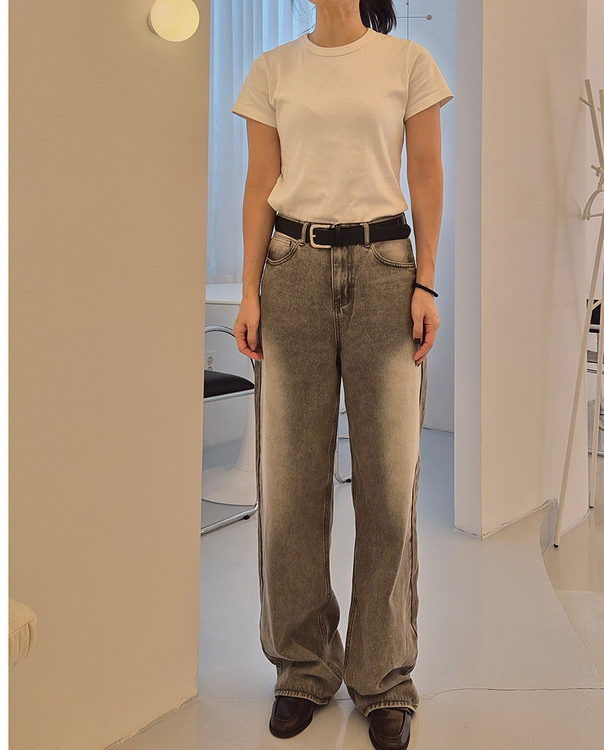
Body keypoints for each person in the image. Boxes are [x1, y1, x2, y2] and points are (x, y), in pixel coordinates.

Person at [231, 2, 453, 748]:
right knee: (290, 483)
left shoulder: (408, 63)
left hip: (387, 271)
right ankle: (302, 666)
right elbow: (260, 183)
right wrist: (251, 292)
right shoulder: (272, 70)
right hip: (291, 270)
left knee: (389, 484)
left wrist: (427, 283)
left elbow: (426, 173)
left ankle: (383, 676)